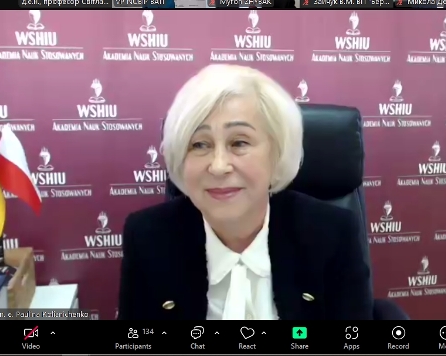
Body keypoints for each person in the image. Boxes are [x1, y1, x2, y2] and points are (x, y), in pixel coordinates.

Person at [117, 64, 372, 320]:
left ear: (276, 153)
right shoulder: (148, 236)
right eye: (200, 144)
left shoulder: (331, 233)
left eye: (239, 142)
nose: (218, 166)